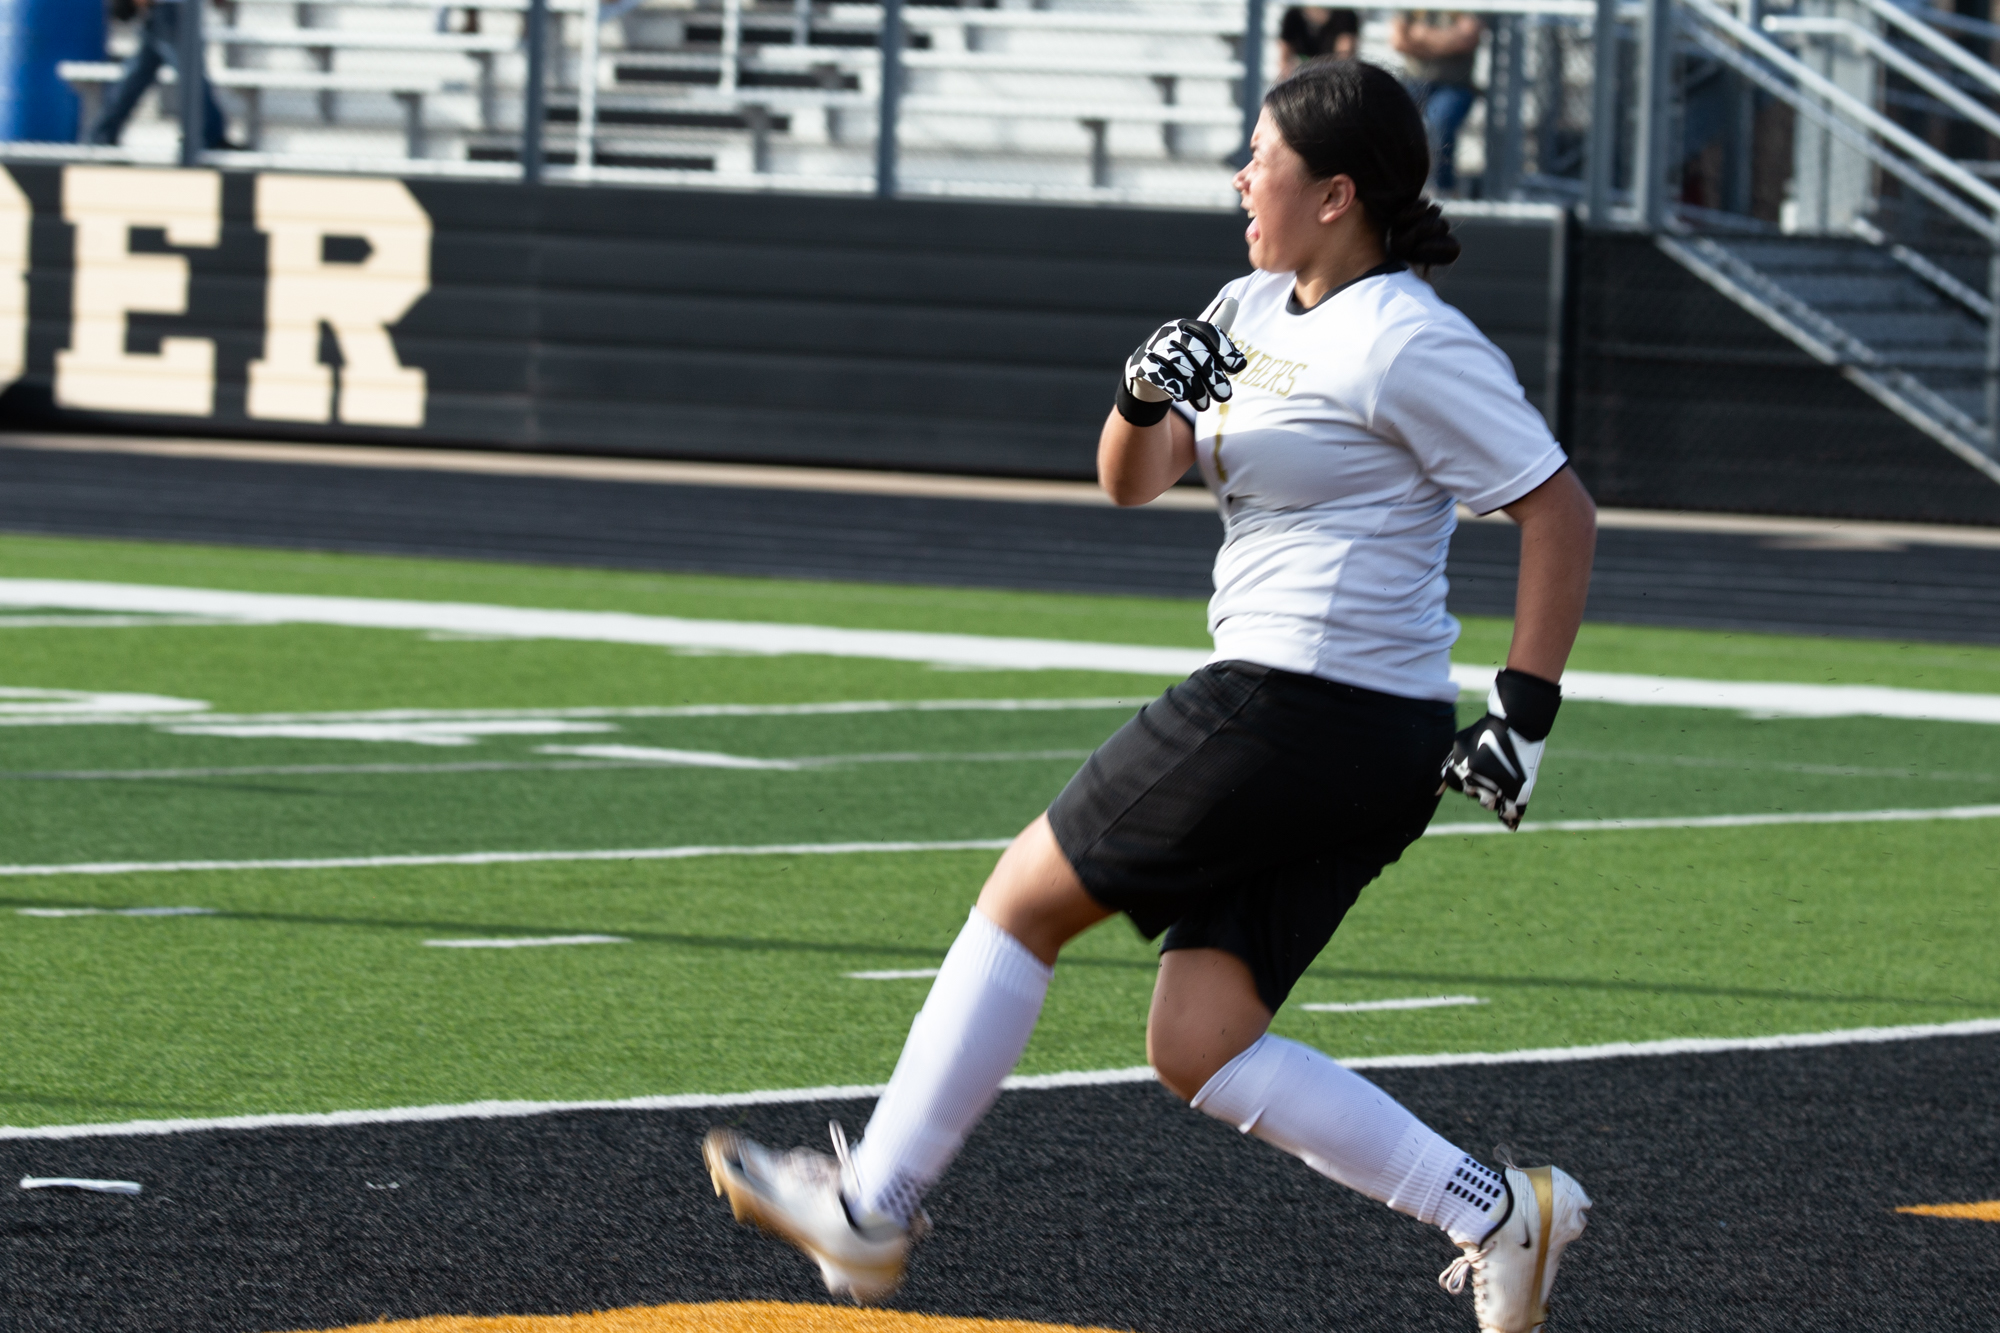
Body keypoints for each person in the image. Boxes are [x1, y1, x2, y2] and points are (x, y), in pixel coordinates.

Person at [703, 59, 1599, 1333]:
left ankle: (872, 1204)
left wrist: (1524, 714)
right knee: (1200, 1042)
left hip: (1299, 699)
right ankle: (1495, 1210)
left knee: (1023, 899)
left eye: (1261, 161)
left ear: (1335, 194)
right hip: (1352, 730)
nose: (1239, 180)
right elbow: (1131, 480)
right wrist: (1138, 395)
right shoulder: (1248, 305)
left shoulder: (1405, 336)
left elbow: (1557, 509)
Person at [88, 0, 228, 150]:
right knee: (186, 74)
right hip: (167, 11)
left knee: (141, 74)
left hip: (172, 10)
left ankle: (102, 134)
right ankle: (210, 135)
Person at [1391, 11, 1482, 193]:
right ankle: (1398, 187)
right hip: (1413, 81)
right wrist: (1447, 41)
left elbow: (1466, 39)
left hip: (1454, 85)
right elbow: (1399, 41)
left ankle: (1441, 190)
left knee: (1440, 121)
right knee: (1391, 117)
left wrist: (1422, 36)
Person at [1278, 6, 1361, 79]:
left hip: (1333, 79)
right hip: (1301, 80)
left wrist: (1305, 65)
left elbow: (1344, 58)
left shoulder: (1345, 14)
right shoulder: (1292, 15)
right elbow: (1283, 60)